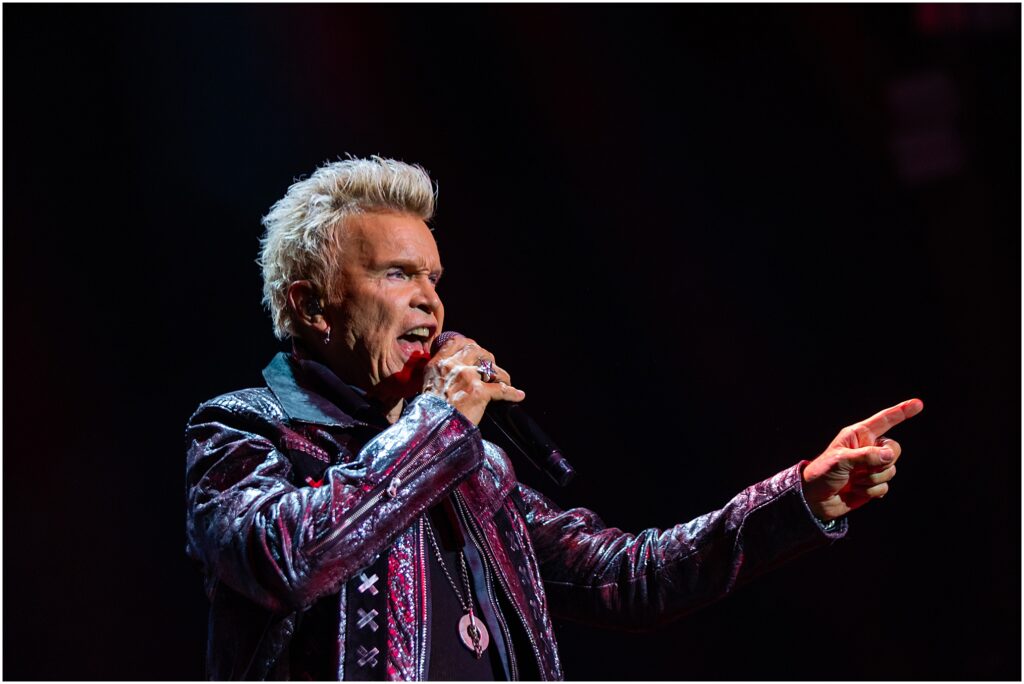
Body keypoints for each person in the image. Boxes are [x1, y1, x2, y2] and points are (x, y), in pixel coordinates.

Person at [184, 156, 923, 681]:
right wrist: (440, 421)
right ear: (314, 305)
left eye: (434, 278)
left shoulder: (467, 459)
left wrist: (796, 499)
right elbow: (288, 557)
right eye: (397, 274)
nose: (430, 302)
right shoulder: (245, 430)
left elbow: (625, 579)